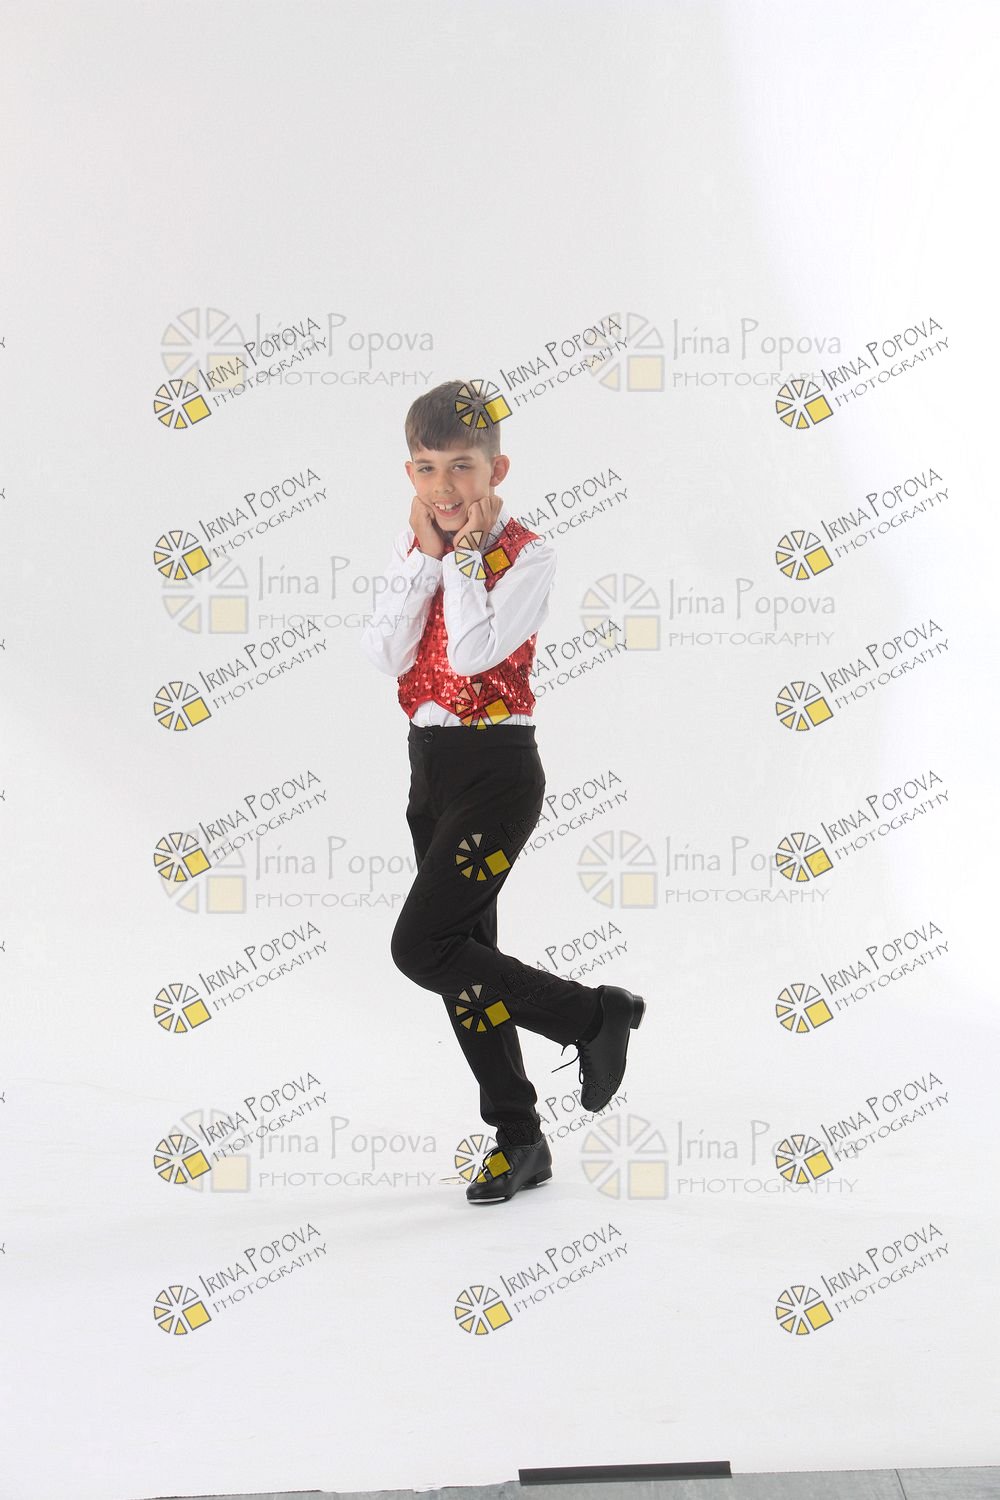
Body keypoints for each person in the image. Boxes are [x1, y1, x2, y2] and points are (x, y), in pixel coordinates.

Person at [359, 379, 646, 1205]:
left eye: (461, 466)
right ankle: (520, 1137)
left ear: (496, 469)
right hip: (429, 770)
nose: (444, 487)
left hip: (496, 774)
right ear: (409, 474)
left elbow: (476, 651)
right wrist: (426, 560)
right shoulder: (416, 548)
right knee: (462, 963)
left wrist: (465, 560)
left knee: (422, 947)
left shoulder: (529, 554)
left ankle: (593, 1016)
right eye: (426, 468)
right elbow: (383, 654)